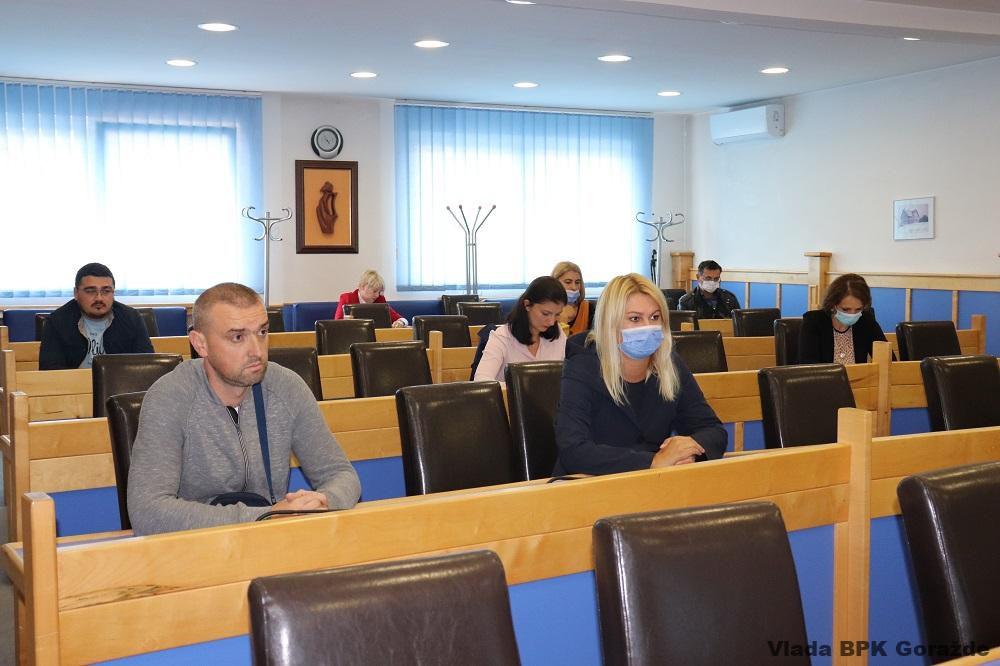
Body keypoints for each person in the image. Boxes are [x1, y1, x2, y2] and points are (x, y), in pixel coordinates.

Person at [127, 282, 361, 535]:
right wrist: (266, 516)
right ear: (200, 344)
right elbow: (147, 511)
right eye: (238, 337)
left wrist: (323, 500)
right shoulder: (170, 397)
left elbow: (341, 474)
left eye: (262, 332)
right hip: (195, 545)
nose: (257, 351)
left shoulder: (287, 387)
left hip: (269, 540)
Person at [554, 273, 727, 475]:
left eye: (655, 317)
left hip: (653, 482)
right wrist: (653, 461)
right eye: (635, 319)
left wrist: (689, 450)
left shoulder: (669, 364)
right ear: (610, 323)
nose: (648, 327)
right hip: (588, 484)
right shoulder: (582, 366)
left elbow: (713, 431)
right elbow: (574, 450)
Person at [39, 262, 154, 370]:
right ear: (76, 293)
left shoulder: (132, 319)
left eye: (106, 291)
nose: (99, 298)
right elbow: (50, 371)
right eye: (90, 291)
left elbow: (147, 366)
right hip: (73, 383)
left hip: (120, 383)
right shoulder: (57, 321)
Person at [473, 276, 568, 383]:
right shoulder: (502, 337)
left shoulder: (558, 335)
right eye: (545, 314)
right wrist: (519, 389)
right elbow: (482, 381)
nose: (551, 322)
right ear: (527, 305)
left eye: (557, 315)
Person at [799, 273, 889, 365]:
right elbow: (808, 365)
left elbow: (888, 360)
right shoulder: (813, 321)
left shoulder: (866, 320)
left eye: (858, 309)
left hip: (859, 375)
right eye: (846, 309)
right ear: (832, 305)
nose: (852, 314)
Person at [334, 270, 408, 327]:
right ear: (362, 287)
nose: (377, 295)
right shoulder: (347, 298)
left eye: (379, 292)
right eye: (374, 291)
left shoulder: (380, 300)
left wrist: (400, 322)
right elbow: (337, 324)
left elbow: (401, 319)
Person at [551, 261, 591, 335]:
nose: (574, 287)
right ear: (555, 283)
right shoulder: (546, 310)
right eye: (568, 282)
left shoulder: (588, 308)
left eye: (577, 282)